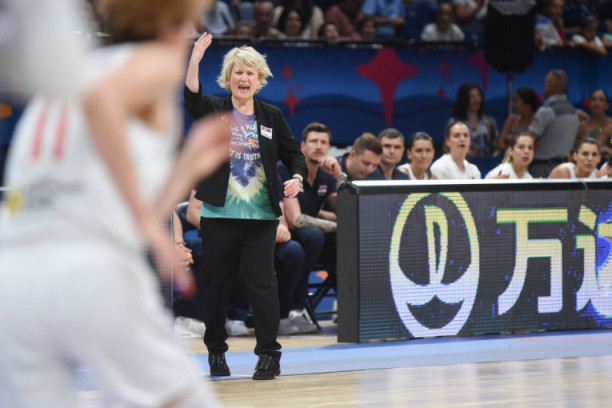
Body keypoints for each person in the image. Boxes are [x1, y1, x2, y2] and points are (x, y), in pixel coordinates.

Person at [0, 0, 231, 406]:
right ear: (175, 21)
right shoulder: (153, 61)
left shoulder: (71, 77)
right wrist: (150, 229)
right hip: (89, 268)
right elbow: (100, 97)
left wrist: (185, 170)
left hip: (14, 277)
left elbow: (105, 202)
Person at [184, 34, 308, 380]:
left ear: (259, 79)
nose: (244, 78)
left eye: (250, 73)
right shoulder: (214, 109)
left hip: (261, 217)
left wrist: (297, 177)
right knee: (218, 286)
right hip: (219, 215)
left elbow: (294, 155)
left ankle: (269, 354)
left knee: (263, 285)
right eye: (238, 72)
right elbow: (191, 99)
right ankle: (216, 352)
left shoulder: (271, 116)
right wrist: (194, 61)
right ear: (229, 78)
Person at [181, 189, 307, 336]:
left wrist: (281, 227)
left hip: (262, 235)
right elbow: (193, 212)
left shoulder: (270, 176)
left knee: (293, 251)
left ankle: (280, 315)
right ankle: (236, 316)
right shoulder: (210, 175)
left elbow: (279, 215)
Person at [278, 122, 338, 333]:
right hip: (283, 234)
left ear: (329, 147)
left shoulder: (326, 176)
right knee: (314, 235)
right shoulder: (286, 169)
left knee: (342, 241)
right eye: (313, 141)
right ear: (302, 145)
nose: (318, 146)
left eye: (323, 142)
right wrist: (337, 225)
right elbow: (295, 220)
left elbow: (345, 209)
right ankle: (296, 304)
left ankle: (353, 305)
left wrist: (339, 176)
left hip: (311, 239)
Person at [528, 69, 579, 178]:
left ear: (549, 85)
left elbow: (528, 140)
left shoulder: (546, 111)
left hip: (542, 168)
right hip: (565, 168)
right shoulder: (574, 112)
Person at [447, 83, 500, 157]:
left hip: (487, 161)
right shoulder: (454, 123)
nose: (476, 100)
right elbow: (447, 148)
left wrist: (496, 154)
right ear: (464, 99)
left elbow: (497, 146)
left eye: (478, 96)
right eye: (472, 97)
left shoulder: (489, 121)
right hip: (462, 160)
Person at [498, 87, 541, 153]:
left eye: (516, 101)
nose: (513, 104)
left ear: (527, 104)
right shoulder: (512, 120)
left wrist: (510, 137)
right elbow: (501, 143)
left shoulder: (537, 123)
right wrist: (513, 153)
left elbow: (536, 146)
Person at [577, 89, 612, 159]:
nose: (597, 102)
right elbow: (574, 151)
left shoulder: (610, 125)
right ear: (589, 104)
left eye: (601, 100)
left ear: (607, 105)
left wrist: (608, 151)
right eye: (593, 99)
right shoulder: (581, 126)